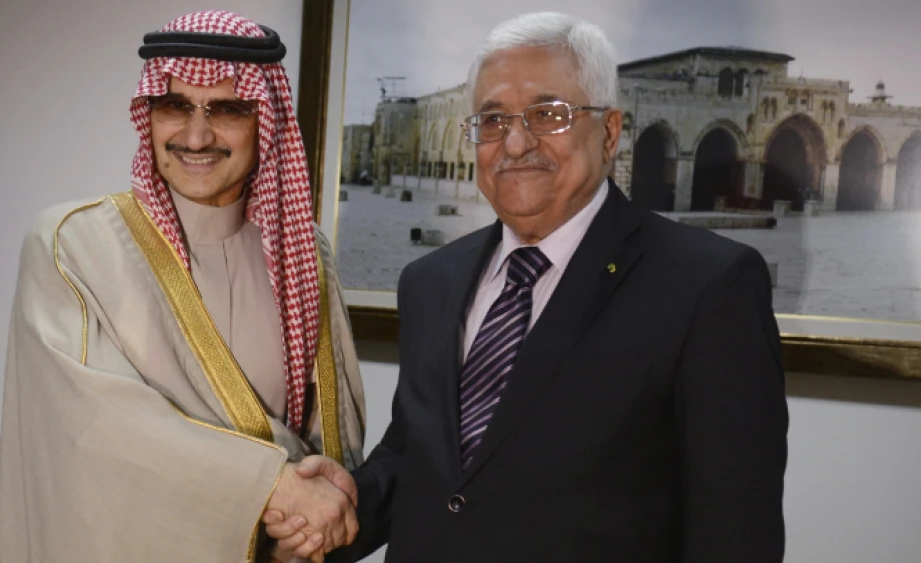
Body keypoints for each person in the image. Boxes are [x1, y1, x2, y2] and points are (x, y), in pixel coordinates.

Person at [267, 11, 788, 562]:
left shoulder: (708, 285)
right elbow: (423, 461)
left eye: (549, 114)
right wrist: (345, 506)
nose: (515, 143)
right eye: (492, 121)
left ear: (610, 131)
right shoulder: (430, 282)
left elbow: (735, 534)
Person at [0, 11, 365, 563]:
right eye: (175, 106)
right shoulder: (75, 242)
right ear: (149, 115)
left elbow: (334, 435)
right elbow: (97, 429)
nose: (196, 135)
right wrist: (273, 487)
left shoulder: (308, 254)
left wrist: (302, 529)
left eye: (228, 109)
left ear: (266, 120)